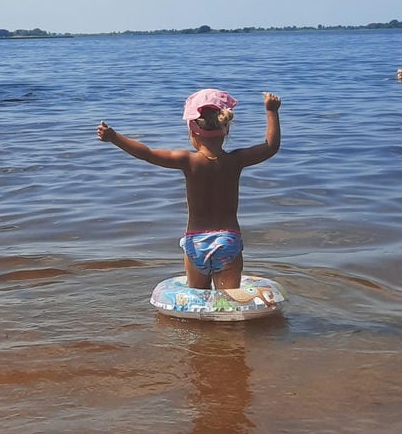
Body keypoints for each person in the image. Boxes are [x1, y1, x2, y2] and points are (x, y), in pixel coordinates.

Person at [96, 89, 282, 292]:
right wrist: (271, 111)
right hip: (227, 240)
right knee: (230, 302)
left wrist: (115, 138)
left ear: (193, 132)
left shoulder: (188, 161)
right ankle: (231, 326)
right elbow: (271, 146)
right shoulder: (235, 160)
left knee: (197, 299)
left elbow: (147, 154)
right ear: (226, 129)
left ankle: (199, 326)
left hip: (196, 241)